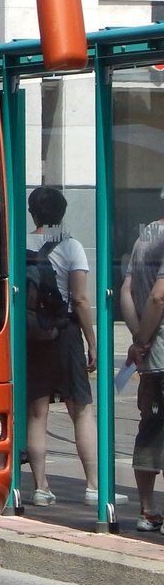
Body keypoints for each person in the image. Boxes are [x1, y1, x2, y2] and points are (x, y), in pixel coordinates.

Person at [23, 186, 106, 508]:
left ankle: (40, 487)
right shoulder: (71, 247)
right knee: (81, 410)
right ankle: (93, 486)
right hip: (67, 331)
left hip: (33, 335)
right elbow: (82, 299)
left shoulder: (20, 245)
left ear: (32, 212)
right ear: (63, 212)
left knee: (37, 413)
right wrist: (93, 341)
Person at [120, 208, 164, 532]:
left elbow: (126, 290)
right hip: (160, 346)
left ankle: (147, 510)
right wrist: (146, 338)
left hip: (151, 358)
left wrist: (138, 340)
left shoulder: (145, 236)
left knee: (149, 427)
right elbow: (158, 297)